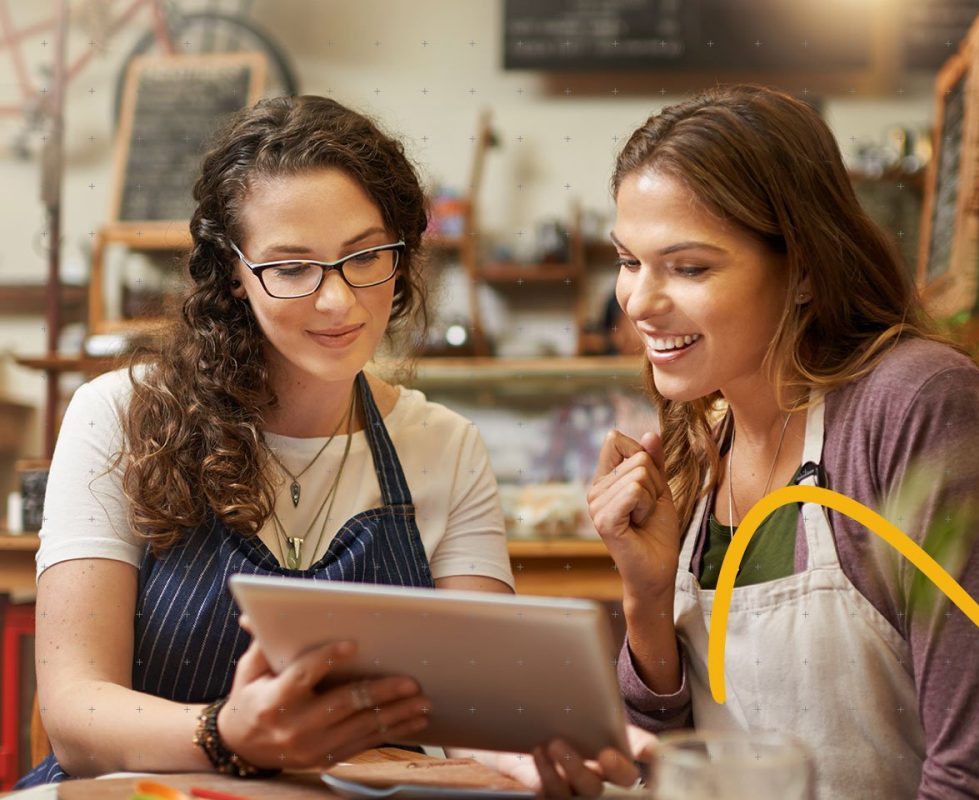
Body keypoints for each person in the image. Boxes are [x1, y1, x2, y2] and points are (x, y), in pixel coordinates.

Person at [21, 95, 637, 798]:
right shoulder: (121, 416)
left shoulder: (445, 447)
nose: (338, 302)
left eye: (365, 256)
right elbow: (74, 713)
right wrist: (224, 734)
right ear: (233, 271)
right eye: (291, 267)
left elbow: (480, 711)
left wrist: (530, 750)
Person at [588, 85, 979, 799]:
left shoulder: (921, 407)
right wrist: (645, 600)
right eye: (629, 261)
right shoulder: (700, 442)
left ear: (805, 270)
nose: (640, 303)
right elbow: (661, 765)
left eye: (689, 267)